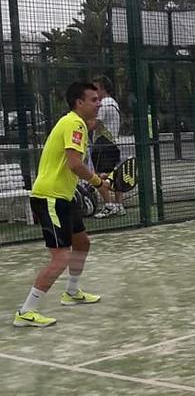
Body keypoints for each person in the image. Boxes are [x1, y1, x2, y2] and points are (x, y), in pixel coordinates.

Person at [14, 82, 108, 327]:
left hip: (62, 197)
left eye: (99, 99)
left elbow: (73, 166)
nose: (99, 104)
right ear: (79, 102)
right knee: (61, 257)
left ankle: (72, 292)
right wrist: (98, 182)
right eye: (94, 100)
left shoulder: (74, 124)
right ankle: (26, 311)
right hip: (50, 198)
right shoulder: (74, 123)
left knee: (82, 243)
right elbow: (74, 164)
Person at [91, 75, 125, 218]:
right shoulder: (114, 103)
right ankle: (119, 205)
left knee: (99, 176)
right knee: (115, 176)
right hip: (111, 144)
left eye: (96, 89)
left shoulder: (104, 103)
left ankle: (109, 205)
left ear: (103, 89)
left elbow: (94, 124)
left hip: (103, 145)